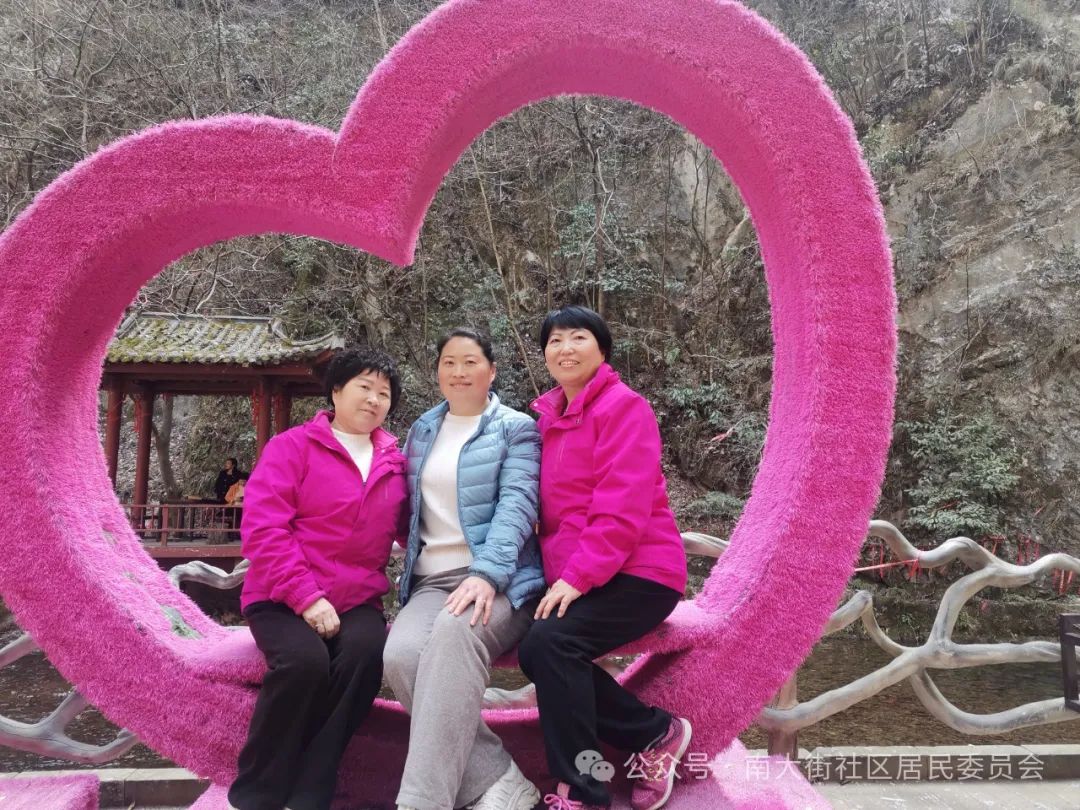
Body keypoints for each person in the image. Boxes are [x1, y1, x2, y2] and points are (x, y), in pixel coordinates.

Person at [517, 306, 691, 810]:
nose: (565, 348)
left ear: (602, 349)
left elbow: (621, 506)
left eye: (578, 337)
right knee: (536, 649)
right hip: (588, 574)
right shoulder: (549, 421)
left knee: (551, 643)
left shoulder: (624, 407)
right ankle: (655, 734)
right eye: (554, 341)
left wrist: (576, 578)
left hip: (642, 574)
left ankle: (581, 792)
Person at [228, 348, 409, 810]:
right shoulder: (292, 447)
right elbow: (264, 528)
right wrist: (306, 597)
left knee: (365, 656)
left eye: (384, 393)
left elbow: (418, 528)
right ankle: (257, 794)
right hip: (280, 595)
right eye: (364, 387)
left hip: (357, 599)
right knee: (304, 664)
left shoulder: (394, 463)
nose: (374, 399)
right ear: (336, 391)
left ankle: (313, 789)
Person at [383, 328, 545, 810]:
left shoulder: (516, 428)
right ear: (437, 372)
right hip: (431, 581)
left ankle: (421, 801)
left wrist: (487, 574)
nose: (459, 371)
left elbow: (517, 505)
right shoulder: (422, 430)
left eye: (470, 362)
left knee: (455, 633)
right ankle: (499, 777)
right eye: (449, 362)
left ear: (491, 371)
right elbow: (406, 508)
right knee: (402, 656)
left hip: (502, 580)